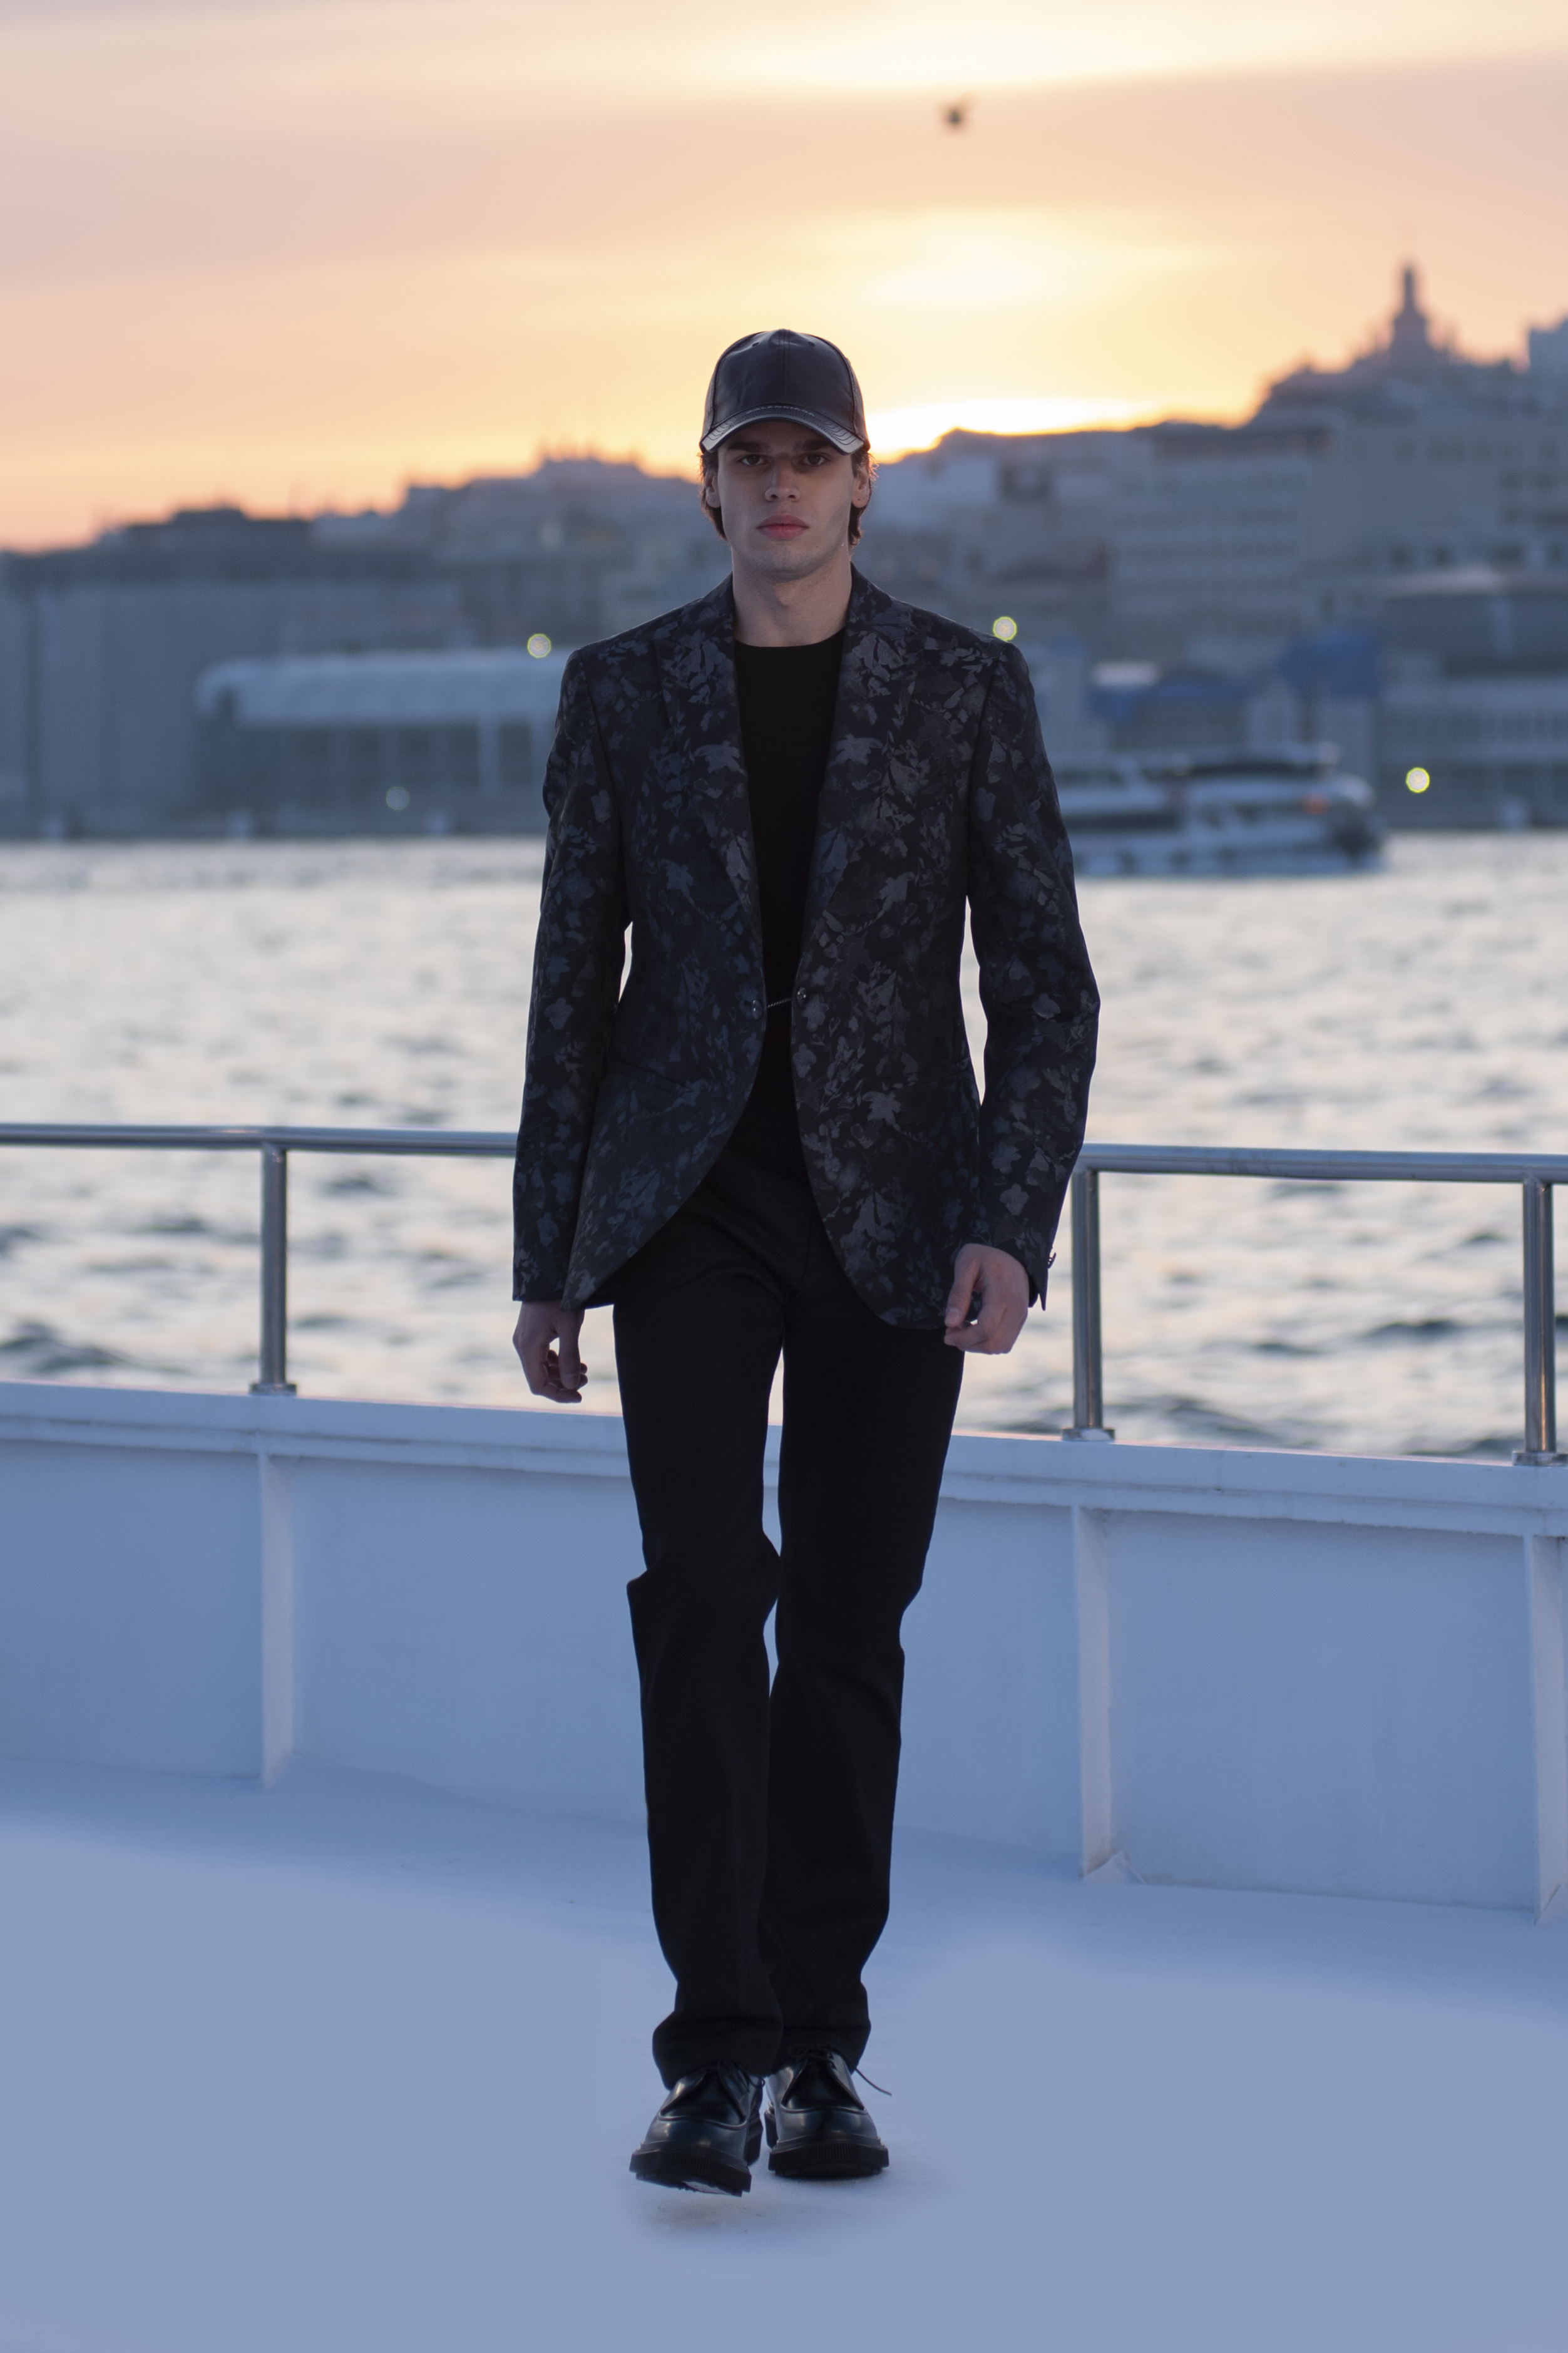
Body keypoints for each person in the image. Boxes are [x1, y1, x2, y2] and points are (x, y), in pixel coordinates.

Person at [512, 328, 1098, 2195]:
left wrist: (1009, 1221)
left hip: (899, 1213)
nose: (779, 485)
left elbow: (1043, 981)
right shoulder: (621, 692)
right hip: (685, 1209)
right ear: (708, 489)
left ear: (860, 486)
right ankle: (714, 2059)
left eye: (809, 457)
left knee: (848, 1624)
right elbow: (570, 990)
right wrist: (549, 1257)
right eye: (747, 458)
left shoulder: (960, 689)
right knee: (702, 1601)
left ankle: (822, 2046)